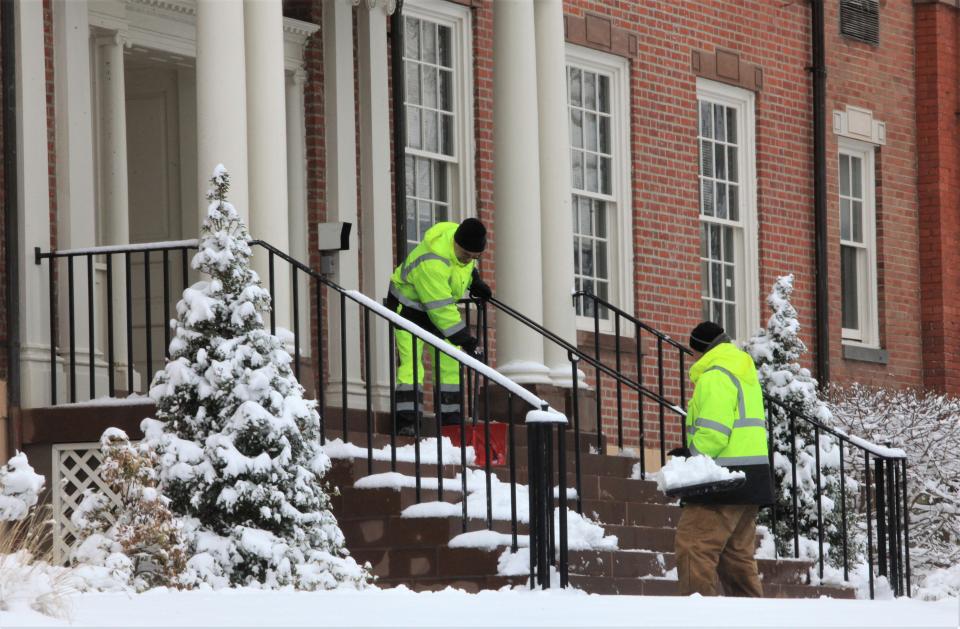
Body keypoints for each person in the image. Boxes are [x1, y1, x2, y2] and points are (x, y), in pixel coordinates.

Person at [670, 321, 775, 597]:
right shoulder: (741, 372)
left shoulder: (715, 375)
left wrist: (691, 456)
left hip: (721, 479)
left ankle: (698, 619)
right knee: (737, 560)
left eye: (692, 351)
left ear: (700, 351)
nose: (691, 357)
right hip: (751, 479)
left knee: (694, 546)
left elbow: (715, 433)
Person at [386, 218, 492, 436]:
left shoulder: (463, 245)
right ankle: (407, 423)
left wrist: (475, 280)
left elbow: (462, 268)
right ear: (456, 243)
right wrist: (466, 340)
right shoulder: (433, 261)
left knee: (450, 365)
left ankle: (451, 425)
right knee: (412, 366)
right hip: (408, 309)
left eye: (475, 257)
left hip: (435, 310)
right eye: (466, 256)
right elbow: (442, 311)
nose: (469, 261)